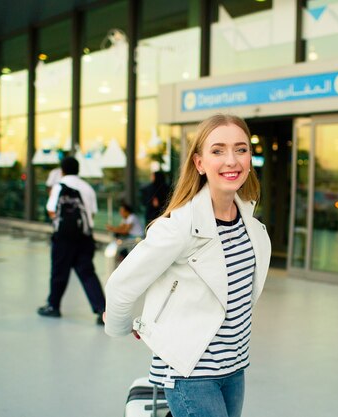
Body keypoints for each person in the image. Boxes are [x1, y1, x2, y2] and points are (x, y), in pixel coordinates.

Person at [104, 114, 271, 417]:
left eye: (241, 149)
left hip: (234, 368)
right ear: (199, 163)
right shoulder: (180, 226)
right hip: (189, 373)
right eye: (218, 150)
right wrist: (123, 325)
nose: (231, 160)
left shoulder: (249, 221)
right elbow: (121, 284)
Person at [37, 156, 106, 325]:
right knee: (87, 273)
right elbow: (92, 214)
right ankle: (102, 311)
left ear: (62, 170)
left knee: (59, 272)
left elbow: (52, 211)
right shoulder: (88, 188)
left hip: (63, 238)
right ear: (78, 170)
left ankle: (53, 306)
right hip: (84, 237)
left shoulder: (59, 186)